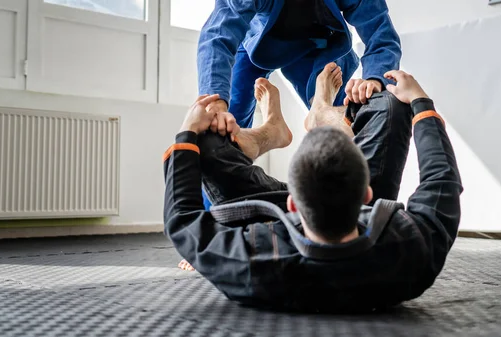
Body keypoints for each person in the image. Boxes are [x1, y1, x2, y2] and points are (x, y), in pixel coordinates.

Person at [163, 68, 463, 311]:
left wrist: (190, 131)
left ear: (292, 204)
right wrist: (420, 102)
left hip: (273, 214)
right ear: (367, 195)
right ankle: (327, 116)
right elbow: (441, 179)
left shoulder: (250, 261)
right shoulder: (412, 251)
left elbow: (182, 219)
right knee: (391, 103)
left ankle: (274, 130)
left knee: (206, 141)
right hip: (345, 208)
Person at [198, 0, 402, 208]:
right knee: (222, 128)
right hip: (254, 45)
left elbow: (381, 33)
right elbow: (218, 35)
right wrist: (216, 102)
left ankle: (357, 216)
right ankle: (269, 134)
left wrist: (375, 79)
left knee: (350, 128)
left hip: (319, 44)